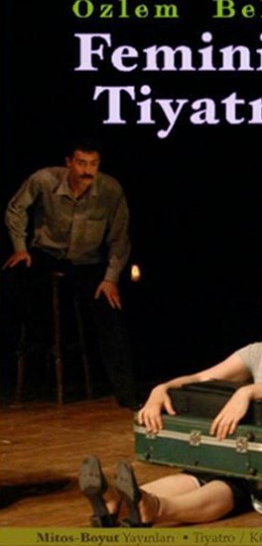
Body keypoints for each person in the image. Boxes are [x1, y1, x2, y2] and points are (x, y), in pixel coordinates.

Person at [79, 266, 262, 526]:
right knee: (205, 473)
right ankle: (117, 501)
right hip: (254, 459)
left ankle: (153, 508)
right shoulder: (259, 351)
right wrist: (160, 389)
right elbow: (203, 377)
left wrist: (248, 392)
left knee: (234, 482)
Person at [2, 137, 136, 409]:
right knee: (11, 279)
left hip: (88, 261)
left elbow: (119, 238)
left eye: (93, 164)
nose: (87, 170)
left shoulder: (110, 190)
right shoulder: (44, 179)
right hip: (47, 254)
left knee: (109, 309)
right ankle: (38, 339)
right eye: (81, 163)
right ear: (69, 163)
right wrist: (20, 248)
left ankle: (127, 394)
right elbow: (16, 209)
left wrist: (110, 279)